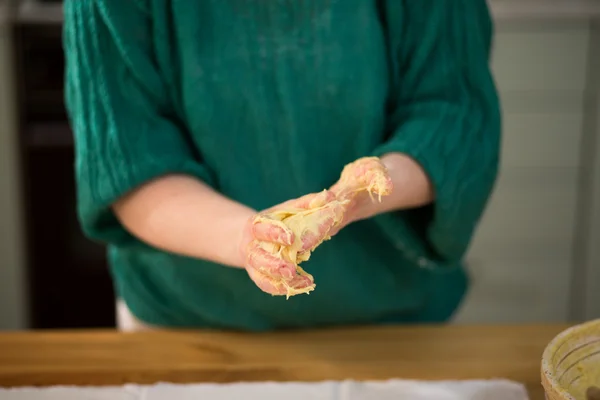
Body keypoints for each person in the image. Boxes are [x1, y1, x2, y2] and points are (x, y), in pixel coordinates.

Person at [63, 0, 501, 331]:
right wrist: (245, 239)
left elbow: (451, 112)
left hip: (395, 321)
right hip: (187, 321)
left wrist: (363, 192)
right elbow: (129, 159)